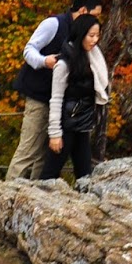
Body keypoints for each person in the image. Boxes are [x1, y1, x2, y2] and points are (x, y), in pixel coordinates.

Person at [5, 0, 104, 180]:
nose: (96, 20)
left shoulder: (84, 35)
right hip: (40, 96)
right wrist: (44, 61)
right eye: (95, 15)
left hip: (64, 103)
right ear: (83, 11)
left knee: (45, 155)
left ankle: (35, 192)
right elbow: (29, 49)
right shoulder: (54, 24)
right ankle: (7, 191)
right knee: (28, 150)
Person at [42, 12, 109, 182]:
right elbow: (56, 99)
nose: (95, 40)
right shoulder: (64, 64)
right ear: (81, 34)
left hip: (83, 125)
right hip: (66, 126)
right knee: (49, 174)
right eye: (91, 36)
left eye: (97, 35)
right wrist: (55, 133)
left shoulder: (92, 58)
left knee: (85, 176)